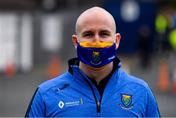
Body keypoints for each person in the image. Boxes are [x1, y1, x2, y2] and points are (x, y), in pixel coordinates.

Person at [25, 6, 160, 117]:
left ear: (117, 40)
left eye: (104, 34)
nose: (97, 41)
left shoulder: (141, 92)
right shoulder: (46, 94)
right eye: (88, 34)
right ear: (76, 41)